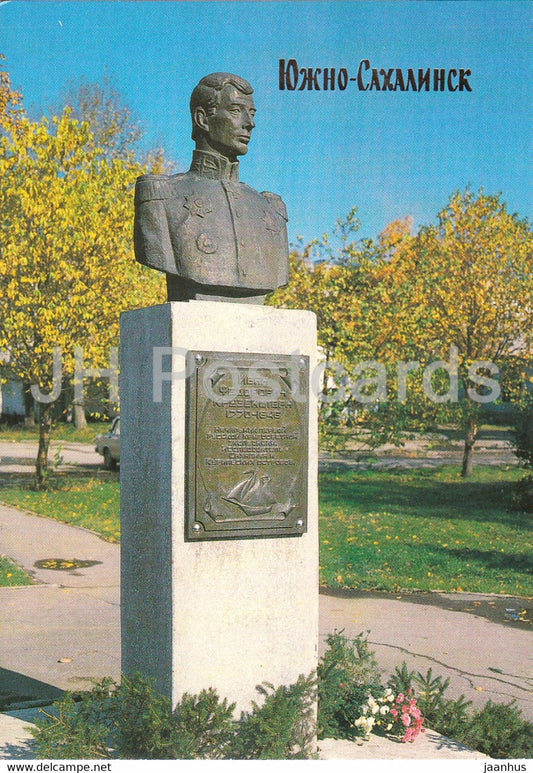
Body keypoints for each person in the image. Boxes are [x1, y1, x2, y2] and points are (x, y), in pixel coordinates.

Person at [134, 72, 289, 302]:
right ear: (202, 119)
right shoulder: (163, 199)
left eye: (252, 113)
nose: (250, 123)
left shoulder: (269, 208)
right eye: (236, 111)